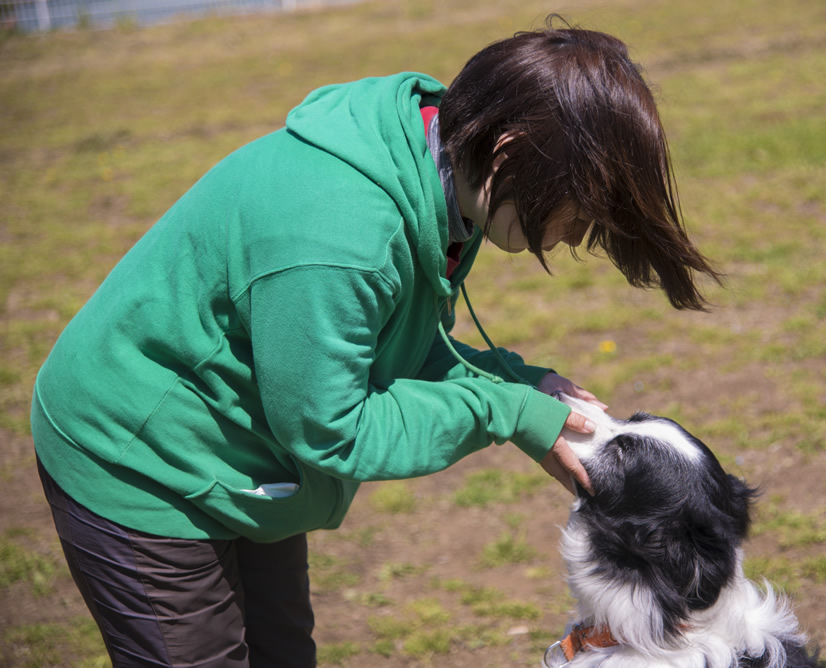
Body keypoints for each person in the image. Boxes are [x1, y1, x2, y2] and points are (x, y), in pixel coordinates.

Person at [31, 18, 720, 668]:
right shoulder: (339, 236)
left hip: (244, 448)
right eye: (580, 210)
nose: (573, 237)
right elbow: (333, 428)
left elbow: (387, 345)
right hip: (139, 456)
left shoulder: (446, 168)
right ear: (512, 152)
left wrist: (515, 383)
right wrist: (503, 413)